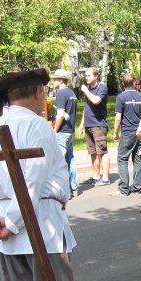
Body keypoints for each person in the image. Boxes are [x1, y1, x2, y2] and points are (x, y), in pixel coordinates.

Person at [0, 68, 76, 281]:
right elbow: (31, 184)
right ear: (39, 92)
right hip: (42, 231)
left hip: (9, 235)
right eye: (45, 93)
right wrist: (9, 222)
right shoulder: (38, 126)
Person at [113, 72, 141, 195]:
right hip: (139, 132)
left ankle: (124, 188)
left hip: (127, 132)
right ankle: (137, 187)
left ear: (123, 83)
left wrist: (115, 132)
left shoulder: (121, 97)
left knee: (122, 159)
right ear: (134, 83)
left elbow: (118, 117)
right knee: (137, 159)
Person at [78, 66, 110, 186]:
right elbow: (87, 107)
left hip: (99, 124)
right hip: (89, 124)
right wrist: (82, 123)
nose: (86, 78)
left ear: (96, 76)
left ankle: (105, 178)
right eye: (86, 75)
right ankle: (96, 176)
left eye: (89, 75)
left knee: (102, 151)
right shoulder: (88, 89)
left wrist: (85, 91)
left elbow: (96, 101)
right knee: (93, 152)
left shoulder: (102, 87)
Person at [51, 68, 79, 199]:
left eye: (55, 79)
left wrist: (54, 130)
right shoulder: (71, 93)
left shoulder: (61, 94)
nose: (53, 81)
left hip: (63, 132)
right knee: (70, 159)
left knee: (59, 162)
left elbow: (60, 114)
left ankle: (64, 190)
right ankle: (74, 188)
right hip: (71, 131)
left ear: (61, 80)